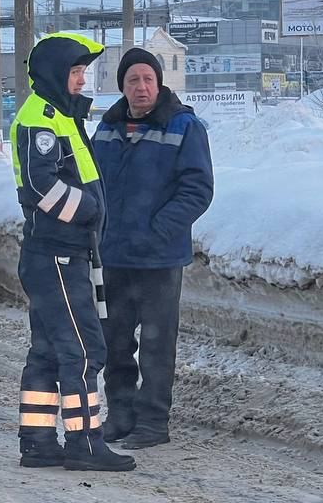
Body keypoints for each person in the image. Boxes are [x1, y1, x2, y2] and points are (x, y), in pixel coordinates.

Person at [10, 32, 135, 472]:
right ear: (55, 74)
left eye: (84, 72)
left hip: (58, 254)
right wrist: (90, 209)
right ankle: (84, 443)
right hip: (58, 255)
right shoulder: (40, 118)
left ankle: (39, 441)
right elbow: (41, 185)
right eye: (77, 72)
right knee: (84, 351)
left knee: (47, 351)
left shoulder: (60, 114)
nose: (83, 80)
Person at [92, 47, 214, 450]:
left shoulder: (184, 126)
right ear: (122, 87)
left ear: (159, 83)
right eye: (133, 80)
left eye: (148, 79)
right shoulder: (107, 128)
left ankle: (153, 423)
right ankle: (121, 415)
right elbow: (93, 185)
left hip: (160, 258)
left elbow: (198, 189)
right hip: (113, 256)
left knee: (157, 345)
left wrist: (158, 228)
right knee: (116, 341)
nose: (141, 86)